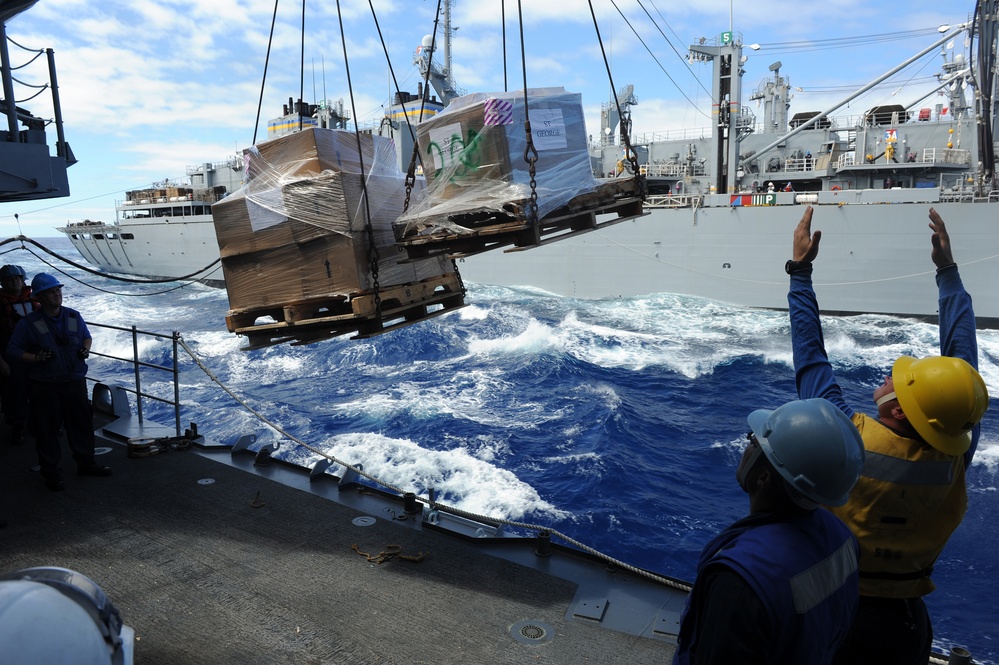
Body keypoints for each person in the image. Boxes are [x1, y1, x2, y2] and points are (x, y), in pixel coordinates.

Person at [786, 206, 989, 664]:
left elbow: (811, 359)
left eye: (897, 378)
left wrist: (800, 273)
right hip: (904, 626)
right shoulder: (953, 451)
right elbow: (961, 373)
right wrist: (948, 275)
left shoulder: (849, 441)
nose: (888, 376)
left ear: (897, 408)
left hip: (833, 612)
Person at [673, 398, 865, 665]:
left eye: (753, 442)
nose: (746, 446)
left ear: (764, 478)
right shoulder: (842, 537)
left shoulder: (740, 579)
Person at [7, 274, 111, 492]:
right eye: (52, 291)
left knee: (81, 424)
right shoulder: (28, 324)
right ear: (40, 297)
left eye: (58, 290)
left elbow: (86, 336)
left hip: (74, 381)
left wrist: (86, 348)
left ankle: (86, 463)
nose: (57, 294)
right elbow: (13, 350)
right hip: (46, 385)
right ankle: (51, 472)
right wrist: (35, 358)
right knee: (48, 430)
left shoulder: (73, 316)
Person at [0, 264, 39, 446]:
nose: (13, 282)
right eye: (9, 279)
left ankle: (39, 424)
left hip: (35, 352)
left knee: (39, 389)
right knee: (14, 392)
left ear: (23, 280)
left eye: (16, 278)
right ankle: (18, 426)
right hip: (10, 355)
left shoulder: (34, 299)